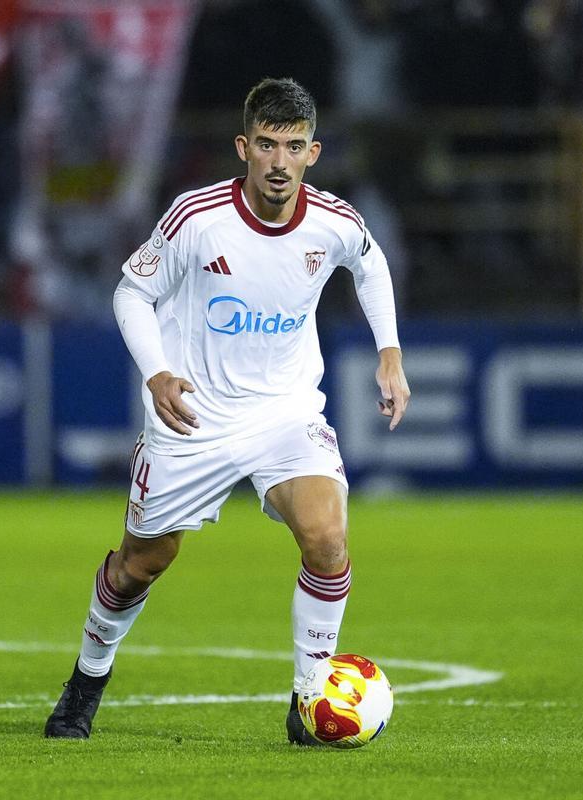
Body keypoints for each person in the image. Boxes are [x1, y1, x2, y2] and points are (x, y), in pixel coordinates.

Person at [43, 77, 410, 745]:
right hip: (193, 417)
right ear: (244, 146)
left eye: (293, 147)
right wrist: (156, 373)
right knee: (139, 565)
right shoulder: (196, 217)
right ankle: (86, 681)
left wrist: (390, 353)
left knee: (328, 542)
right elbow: (132, 295)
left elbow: (371, 263)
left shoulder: (334, 223)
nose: (278, 161)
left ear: (313, 152)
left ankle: (308, 701)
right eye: (266, 145)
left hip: (285, 412)